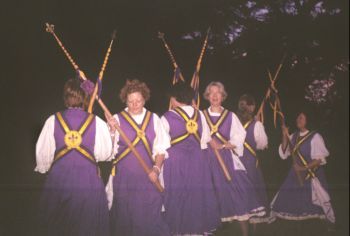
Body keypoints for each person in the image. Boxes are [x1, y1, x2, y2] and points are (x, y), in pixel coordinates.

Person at [35, 78, 112, 236]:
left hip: (59, 182)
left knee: (58, 226)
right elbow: (104, 153)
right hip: (88, 182)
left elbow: (44, 157)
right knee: (87, 226)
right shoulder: (97, 122)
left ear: (66, 97)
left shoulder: (52, 120)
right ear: (85, 98)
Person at [106, 79, 171, 236]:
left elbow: (161, 148)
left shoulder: (154, 119)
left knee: (149, 216)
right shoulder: (117, 119)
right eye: (130, 101)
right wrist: (112, 131)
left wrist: (156, 169)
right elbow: (108, 152)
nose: (134, 105)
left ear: (144, 99)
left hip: (148, 176)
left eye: (138, 101)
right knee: (125, 218)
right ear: (125, 100)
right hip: (124, 178)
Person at [202, 82, 265, 236]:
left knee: (239, 194)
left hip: (226, 160)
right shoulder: (200, 115)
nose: (215, 96)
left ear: (223, 96)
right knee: (209, 197)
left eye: (218, 93)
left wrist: (228, 144)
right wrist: (209, 142)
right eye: (212, 93)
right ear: (207, 96)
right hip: (206, 160)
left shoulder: (230, 116)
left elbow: (240, 135)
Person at [161, 82, 221, 235]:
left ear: (175, 98)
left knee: (178, 196)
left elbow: (161, 144)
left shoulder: (167, 117)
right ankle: (197, 228)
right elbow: (205, 140)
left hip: (176, 162)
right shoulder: (200, 114)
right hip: (197, 162)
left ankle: (179, 229)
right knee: (197, 195)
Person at [271, 111, 335, 225]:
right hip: (295, 173)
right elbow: (284, 151)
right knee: (293, 199)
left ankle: (323, 225)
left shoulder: (315, 137)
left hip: (311, 173)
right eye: (298, 117)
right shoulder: (294, 136)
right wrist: (284, 134)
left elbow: (318, 160)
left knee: (319, 201)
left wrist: (302, 168)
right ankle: (299, 225)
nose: (298, 120)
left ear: (307, 121)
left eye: (301, 118)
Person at [236, 94, 270, 225]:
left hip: (236, 165)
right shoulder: (257, 125)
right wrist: (257, 125)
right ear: (251, 107)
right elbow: (262, 145)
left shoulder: (233, 122)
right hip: (250, 165)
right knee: (255, 197)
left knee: (241, 199)